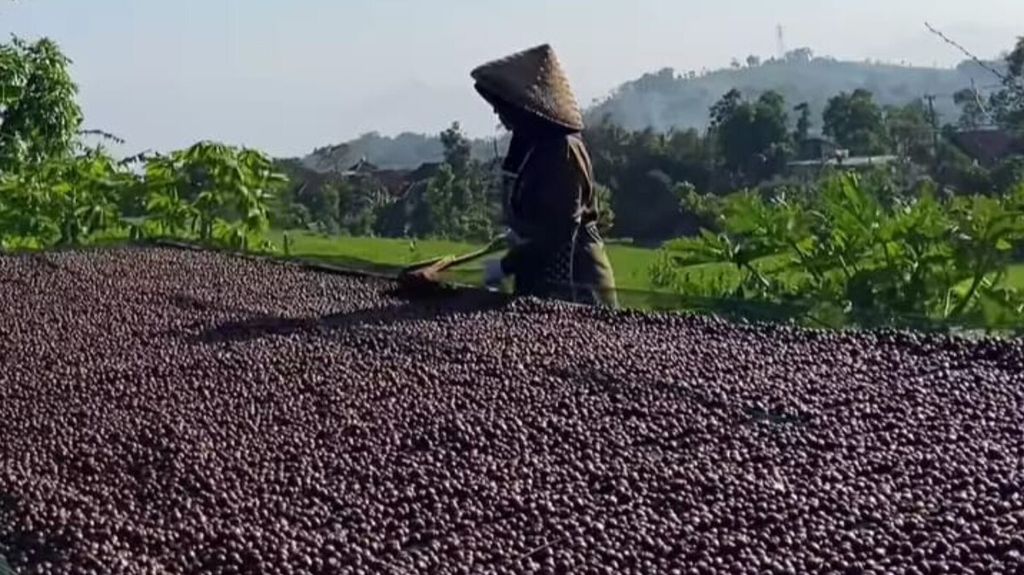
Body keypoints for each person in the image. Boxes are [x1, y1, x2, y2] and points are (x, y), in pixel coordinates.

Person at [471, 44, 618, 308]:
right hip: (539, 272)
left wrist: (507, 264)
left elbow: (560, 230)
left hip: (575, 277)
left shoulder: (562, 150)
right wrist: (516, 238)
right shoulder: (532, 145)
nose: (497, 112)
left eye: (503, 105)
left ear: (525, 107)